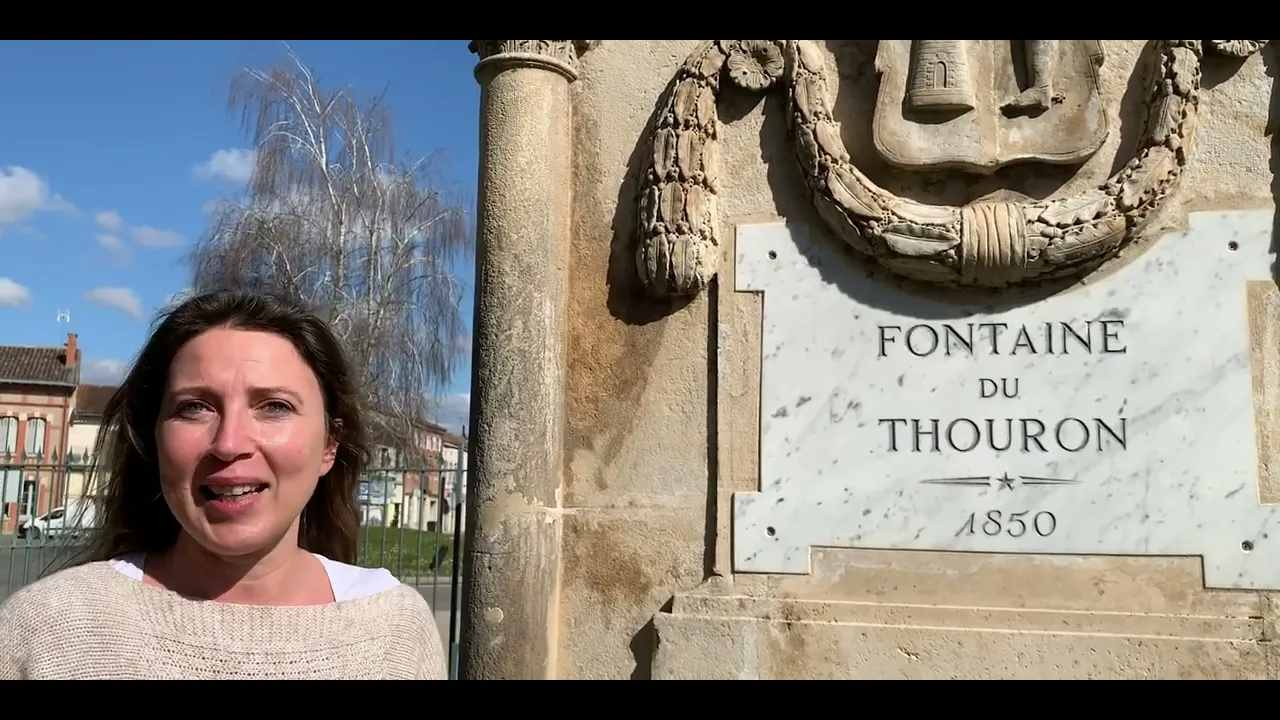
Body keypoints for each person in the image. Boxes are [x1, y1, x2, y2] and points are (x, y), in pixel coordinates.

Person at [0, 290, 448, 680]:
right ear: (153, 437)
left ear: (330, 445)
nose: (229, 443)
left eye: (274, 406)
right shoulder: (44, 631)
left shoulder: (395, 631)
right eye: (194, 407)